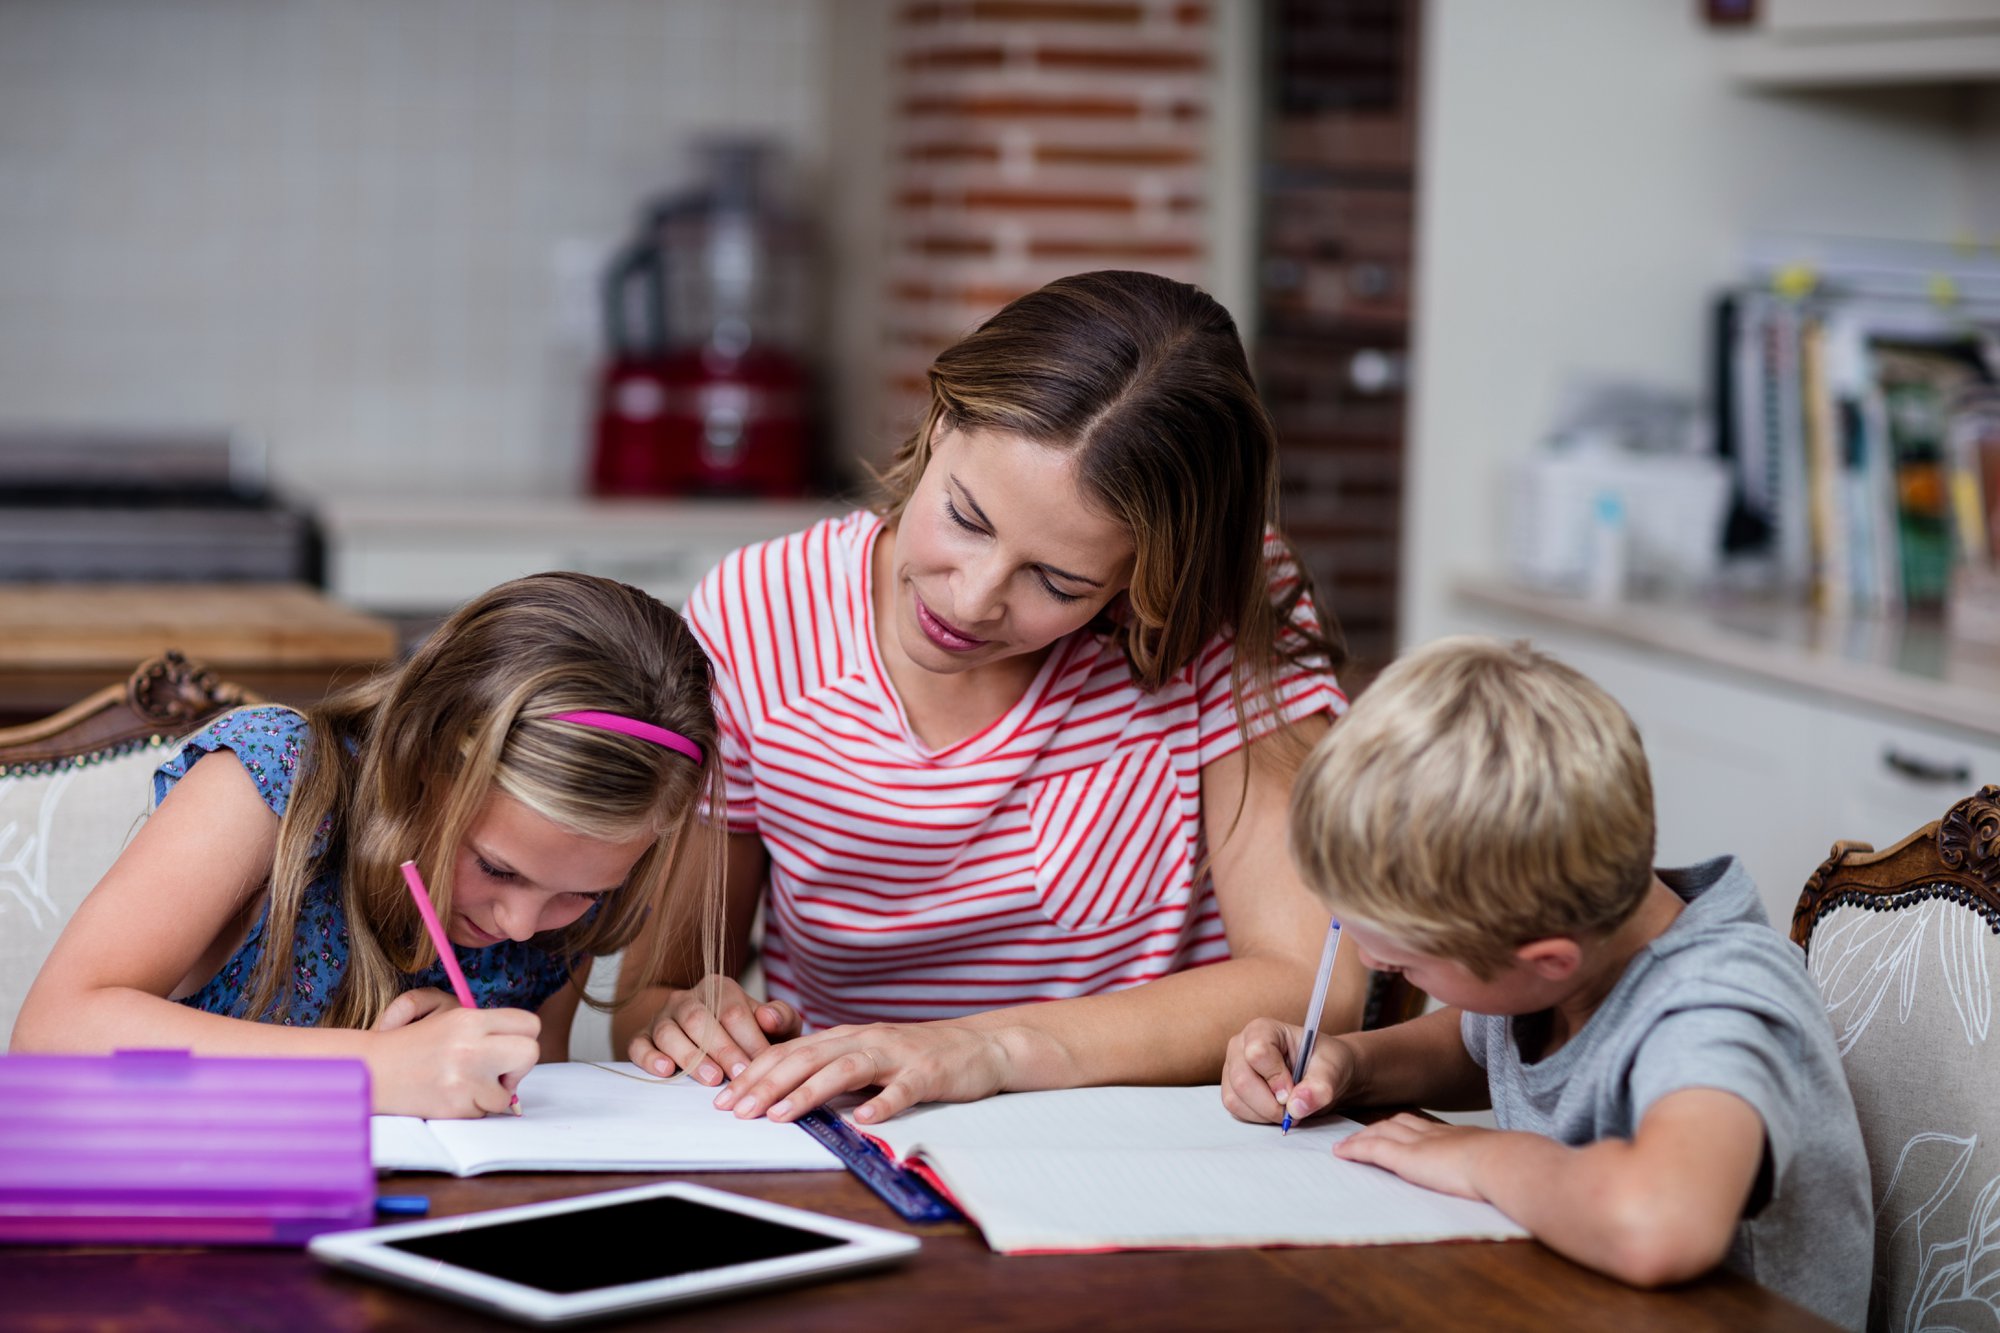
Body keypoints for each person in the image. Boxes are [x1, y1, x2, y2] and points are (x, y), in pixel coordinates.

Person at [613, 269, 1368, 1128]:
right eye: (966, 518)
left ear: (1145, 583)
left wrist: (988, 1049)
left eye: (1058, 579)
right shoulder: (756, 618)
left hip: (1144, 1143)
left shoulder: (1228, 610)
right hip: (861, 1137)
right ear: (939, 426)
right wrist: (689, 1019)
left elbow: (1314, 982)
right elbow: (649, 998)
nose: (971, 601)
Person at [1220, 636, 1871, 1327]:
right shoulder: (1568, 952)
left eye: (1405, 963)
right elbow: (1477, 1045)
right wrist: (1350, 1064)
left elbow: (1660, 1224)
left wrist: (1480, 1157)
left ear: (1547, 960)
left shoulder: (1720, 1000)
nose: (1379, 967)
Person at [12, 572, 724, 1119]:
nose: (520, 923)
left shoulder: (557, 905)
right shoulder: (280, 785)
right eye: (496, 867)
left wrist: (471, 1074)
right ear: (422, 756)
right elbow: (52, 1035)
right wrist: (374, 1068)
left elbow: (520, 1106)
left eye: (581, 892)